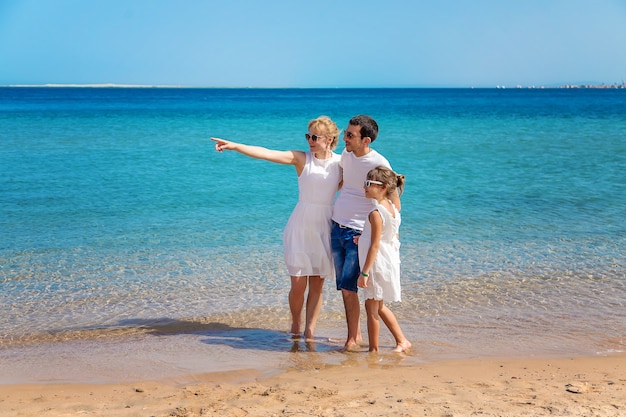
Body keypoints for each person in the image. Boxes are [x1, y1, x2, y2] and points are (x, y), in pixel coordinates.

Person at [211, 116, 342, 340]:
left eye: (315, 137)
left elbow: (363, 176)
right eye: (307, 135)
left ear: (329, 139)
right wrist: (235, 146)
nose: (309, 140)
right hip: (300, 224)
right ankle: (295, 324)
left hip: (326, 225)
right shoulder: (302, 158)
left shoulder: (342, 162)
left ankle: (310, 330)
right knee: (299, 283)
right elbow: (266, 153)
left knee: (318, 284)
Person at [331, 115, 401, 350]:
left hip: (359, 233)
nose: (345, 138)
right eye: (345, 133)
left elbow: (393, 201)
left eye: (350, 135)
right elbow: (342, 181)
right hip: (337, 226)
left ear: (366, 140)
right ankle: (355, 336)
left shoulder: (379, 163)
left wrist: (390, 238)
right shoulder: (346, 156)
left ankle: (354, 340)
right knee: (344, 285)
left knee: (354, 286)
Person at [357, 166, 411, 353]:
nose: (364, 187)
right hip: (388, 260)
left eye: (368, 183)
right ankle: (402, 340)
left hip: (376, 264)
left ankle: (373, 350)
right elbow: (389, 236)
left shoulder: (376, 213)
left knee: (371, 308)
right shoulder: (393, 209)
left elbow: (375, 245)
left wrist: (364, 273)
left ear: (382, 187)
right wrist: (362, 237)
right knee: (379, 306)